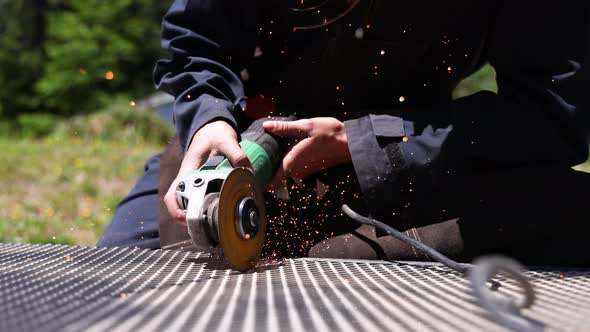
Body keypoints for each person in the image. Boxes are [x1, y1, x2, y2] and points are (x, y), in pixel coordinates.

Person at [99, 0, 590, 265]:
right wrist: (208, 118)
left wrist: (368, 142)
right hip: (242, 152)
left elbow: (552, 114)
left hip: (417, 161)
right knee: (117, 276)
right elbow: (195, 45)